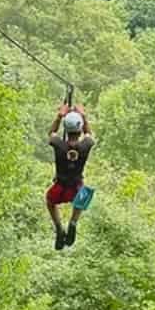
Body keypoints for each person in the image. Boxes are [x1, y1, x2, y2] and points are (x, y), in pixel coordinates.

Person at [46, 103, 94, 250]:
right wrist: (84, 116)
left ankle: (59, 228)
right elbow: (89, 134)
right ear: (79, 129)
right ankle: (73, 222)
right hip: (76, 188)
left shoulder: (59, 144)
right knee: (84, 194)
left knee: (50, 201)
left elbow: (51, 133)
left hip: (60, 186)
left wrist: (59, 116)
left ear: (66, 129)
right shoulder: (85, 145)